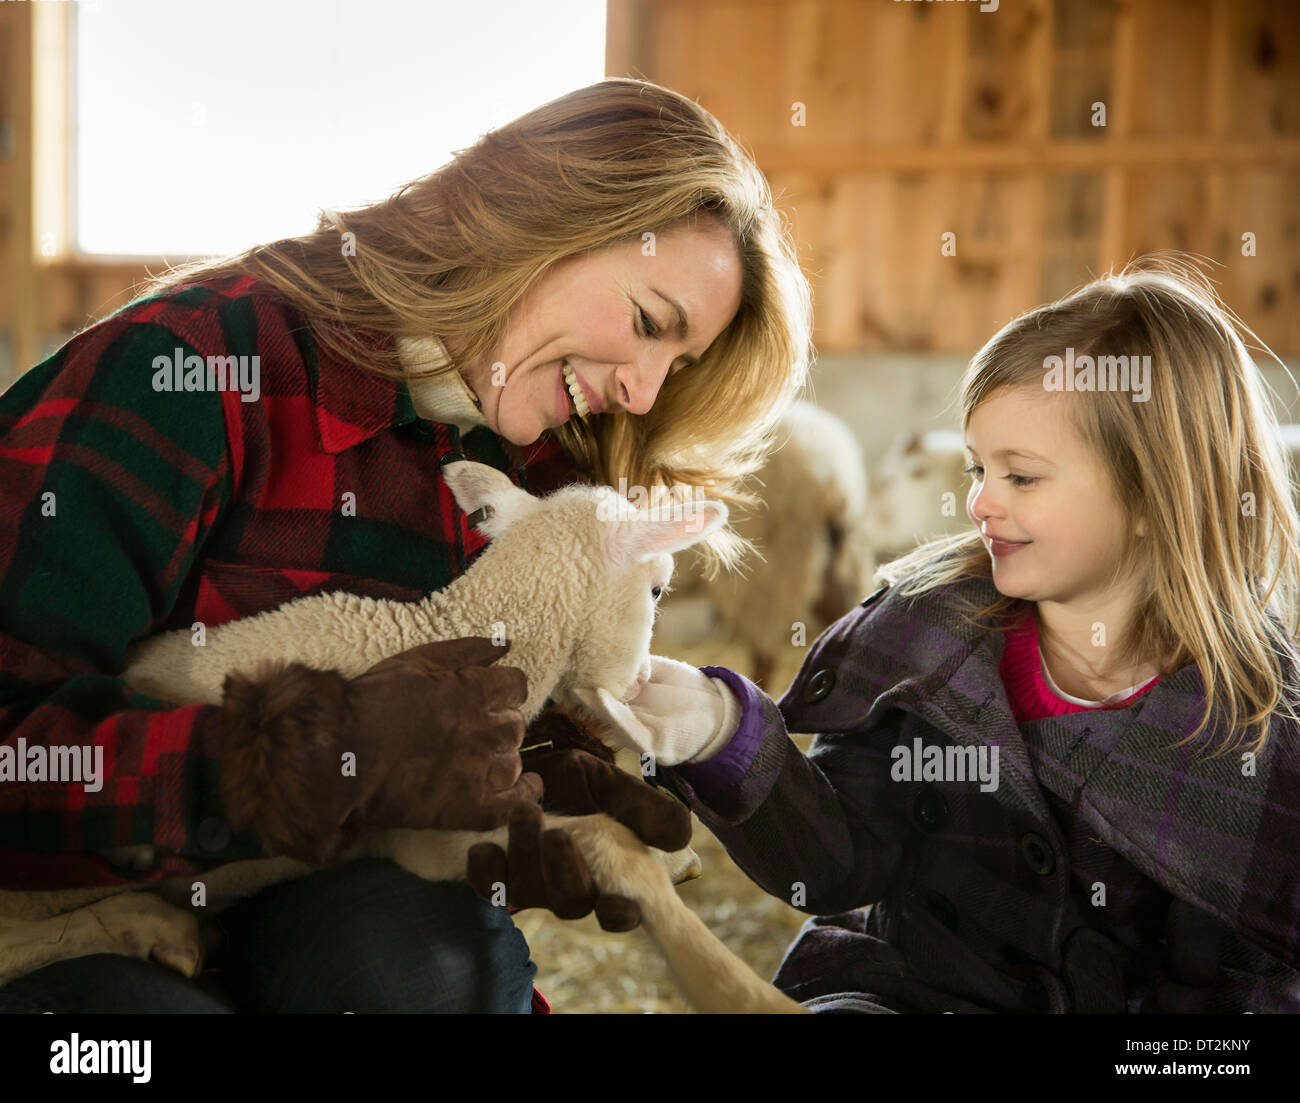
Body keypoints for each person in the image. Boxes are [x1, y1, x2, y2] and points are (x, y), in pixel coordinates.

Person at [0, 78, 812, 1013]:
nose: (642, 392)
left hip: (300, 894)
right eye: (645, 324)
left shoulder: (540, 477)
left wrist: (519, 788)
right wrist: (291, 758)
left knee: (429, 971)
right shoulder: (198, 365)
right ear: (537, 218)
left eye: (677, 368)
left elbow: (432, 735)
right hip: (58, 906)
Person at [601, 256, 1300, 1012]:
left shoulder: (1252, 728)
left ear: (1150, 493)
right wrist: (724, 734)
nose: (979, 504)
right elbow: (839, 862)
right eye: (976, 470)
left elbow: (1240, 997)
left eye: (1021, 477)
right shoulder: (925, 636)